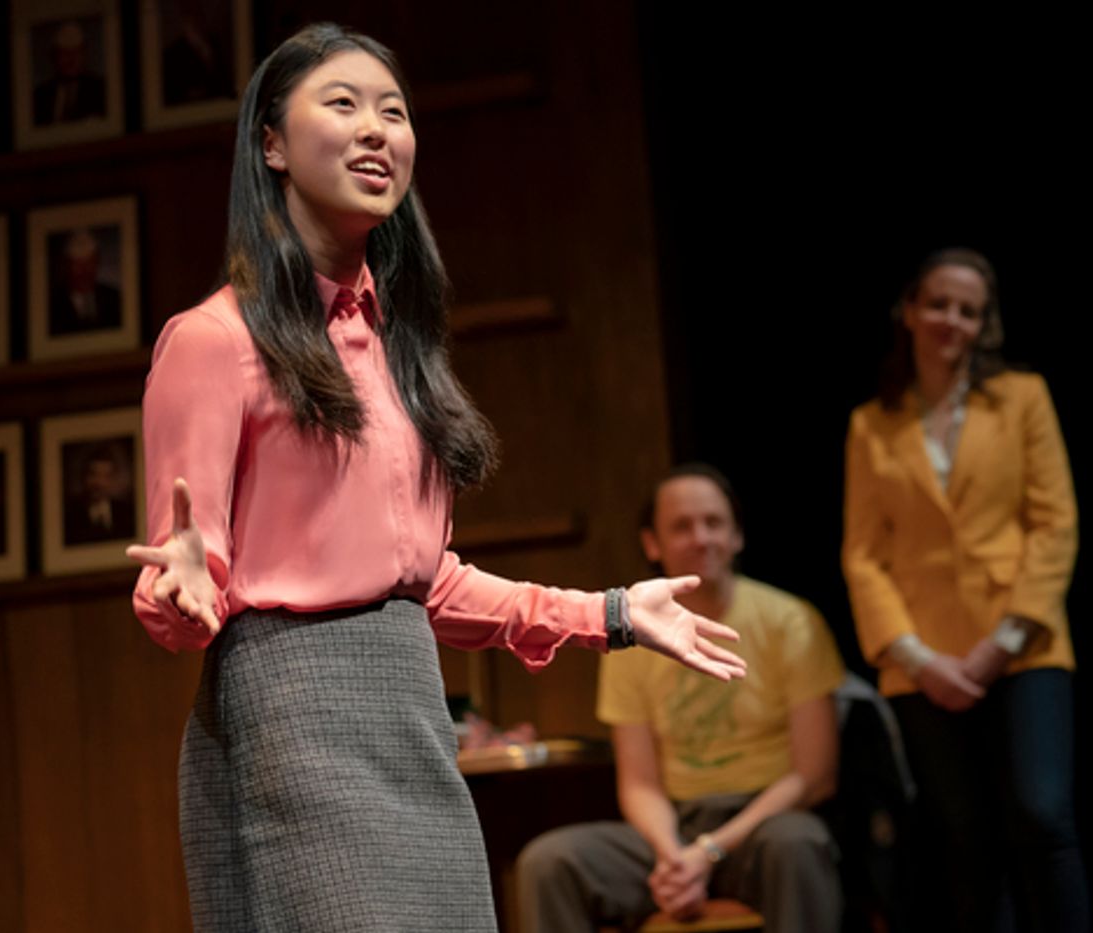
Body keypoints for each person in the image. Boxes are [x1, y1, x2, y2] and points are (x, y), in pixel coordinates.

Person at [126, 24, 745, 933]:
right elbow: (187, 585)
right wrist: (179, 593)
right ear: (271, 144)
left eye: (394, 111)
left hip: (413, 719)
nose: (376, 129)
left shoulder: (393, 347)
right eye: (343, 104)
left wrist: (610, 613)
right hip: (292, 724)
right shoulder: (214, 341)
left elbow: (427, 581)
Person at [841, 248, 1087, 932]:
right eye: (940, 304)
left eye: (969, 310)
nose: (952, 319)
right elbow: (863, 555)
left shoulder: (1022, 397)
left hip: (1023, 644)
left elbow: (1055, 523)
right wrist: (918, 658)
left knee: (1041, 814)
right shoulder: (873, 423)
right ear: (910, 311)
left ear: (985, 324)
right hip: (923, 659)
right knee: (965, 836)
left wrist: (1002, 641)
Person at [518, 464, 845, 933]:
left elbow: (814, 776)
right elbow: (639, 784)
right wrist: (675, 858)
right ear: (652, 544)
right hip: (675, 826)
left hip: (764, 824)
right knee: (550, 862)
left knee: (798, 845)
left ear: (737, 536)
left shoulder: (791, 621)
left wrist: (709, 852)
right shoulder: (630, 636)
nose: (701, 538)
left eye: (714, 523)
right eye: (682, 527)